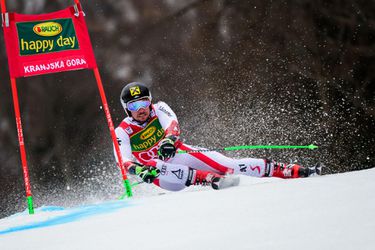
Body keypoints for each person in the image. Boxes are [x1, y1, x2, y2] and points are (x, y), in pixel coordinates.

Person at [114, 82, 318, 191]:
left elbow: (172, 125)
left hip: (179, 153)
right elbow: (124, 161)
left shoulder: (159, 108)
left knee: (230, 164)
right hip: (162, 176)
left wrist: (169, 140)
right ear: (126, 109)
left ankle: (293, 170)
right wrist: (139, 170)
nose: (140, 109)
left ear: (149, 101)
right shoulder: (122, 130)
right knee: (157, 166)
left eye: (143, 103)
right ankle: (209, 179)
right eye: (133, 106)